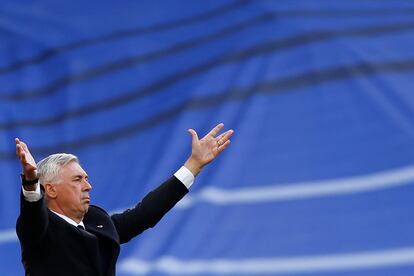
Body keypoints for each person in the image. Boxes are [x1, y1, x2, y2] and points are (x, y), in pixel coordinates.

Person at [15, 123, 233, 276]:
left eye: (86, 178)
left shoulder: (96, 221)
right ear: (51, 190)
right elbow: (32, 212)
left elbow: (145, 214)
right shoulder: (39, 231)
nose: (88, 186)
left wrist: (193, 165)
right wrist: (31, 181)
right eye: (77, 179)